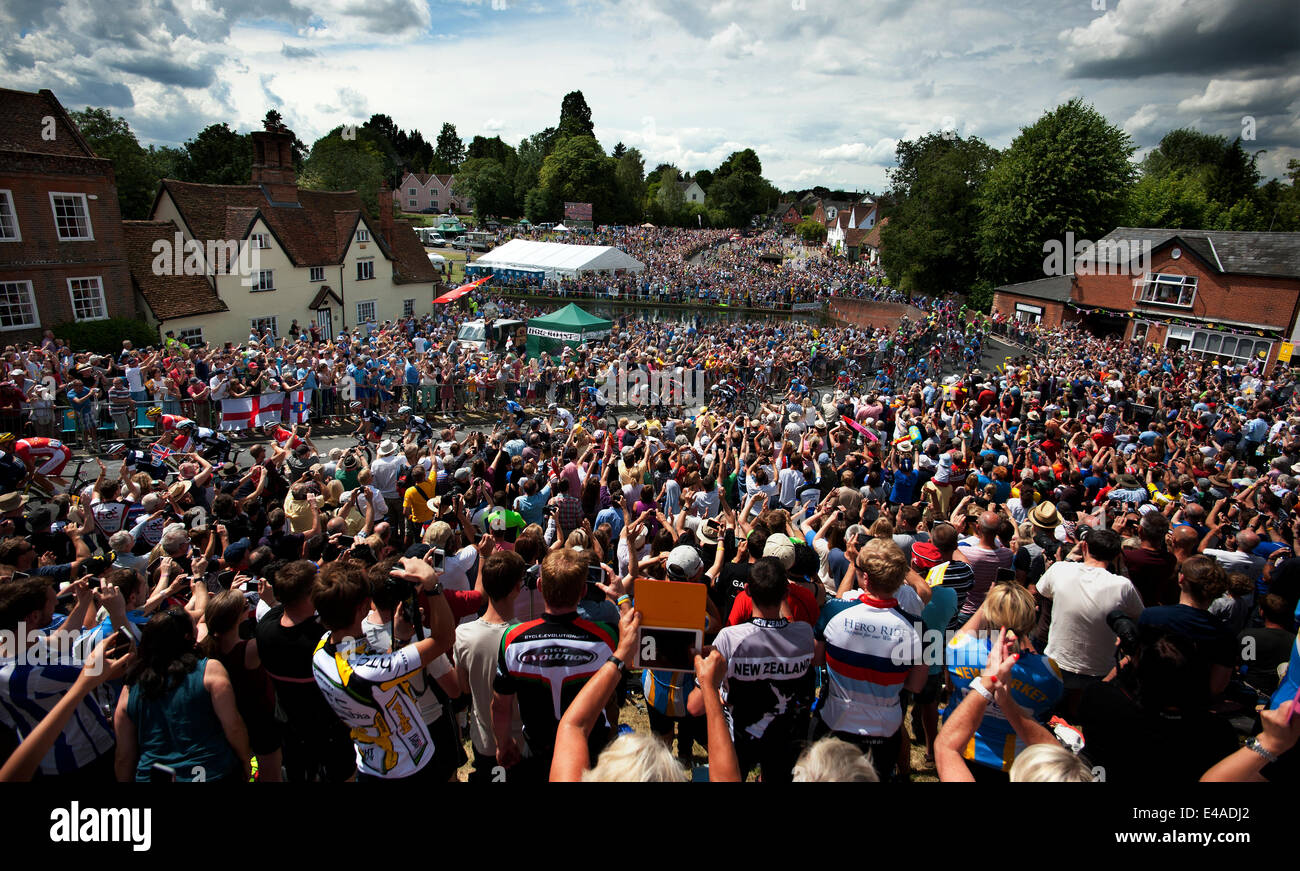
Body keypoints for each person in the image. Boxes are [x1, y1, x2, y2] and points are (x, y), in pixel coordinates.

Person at [310, 557, 455, 781]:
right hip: (410, 767)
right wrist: (431, 584)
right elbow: (444, 639)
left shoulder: (322, 651)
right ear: (362, 607)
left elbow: (370, 671)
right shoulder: (373, 673)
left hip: (370, 764)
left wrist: (398, 641)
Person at [492, 548, 622, 781]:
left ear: (540, 586)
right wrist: (621, 599)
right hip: (590, 749)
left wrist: (502, 743)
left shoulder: (513, 639)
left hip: (537, 746)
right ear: (583, 591)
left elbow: (500, 705)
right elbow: (634, 644)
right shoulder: (606, 638)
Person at [688, 556, 814, 783]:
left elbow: (694, 706)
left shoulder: (730, 638)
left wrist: (713, 688)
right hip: (783, 740)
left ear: (746, 591)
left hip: (739, 740)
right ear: (786, 593)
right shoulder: (804, 635)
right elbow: (789, 622)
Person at [813, 538, 926, 780]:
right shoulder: (919, 627)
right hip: (885, 730)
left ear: (866, 577)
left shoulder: (833, 611)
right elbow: (916, 685)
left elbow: (816, 659)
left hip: (836, 721)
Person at [114, 608, 251, 782]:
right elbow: (234, 727)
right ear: (188, 636)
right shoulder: (210, 670)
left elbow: (123, 757)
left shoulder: (130, 687)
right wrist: (249, 761)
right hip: (212, 773)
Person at [944, 582, 1063, 779]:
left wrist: (987, 603)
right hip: (1018, 763)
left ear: (989, 614)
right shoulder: (1048, 671)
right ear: (1030, 622)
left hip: (962, 748)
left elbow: (963, 635)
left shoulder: (960, 650)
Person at [254, 559, 355, 781]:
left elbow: (279, 610)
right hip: (330, 730)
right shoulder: (324, 640)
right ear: (313, 593)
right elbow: (351, 662)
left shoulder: (264, 630)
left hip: (290, 729)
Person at [1034, 528, 1144, 716]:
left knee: (1048, 715)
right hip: (1100, 670)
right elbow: (1140, 615)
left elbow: (1041, 591)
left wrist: (1069, 558)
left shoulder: (1060, 569)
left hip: (1058, 663)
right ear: (1117, 555)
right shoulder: (1123, 585)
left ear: (1084, 546)